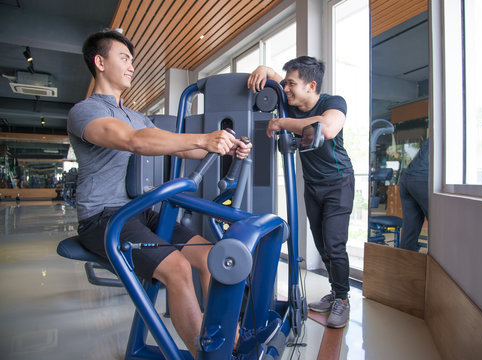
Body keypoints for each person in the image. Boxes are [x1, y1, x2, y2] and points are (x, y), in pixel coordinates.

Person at [67, 29, 253, 357]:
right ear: (99, 62)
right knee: (178, 269)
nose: (131, 66)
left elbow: (181, 150)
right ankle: (202, 354)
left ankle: (228, 343)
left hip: (142, 210)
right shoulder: (86, 112)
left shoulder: (136, 116)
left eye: (132, 60)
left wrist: (225, 148)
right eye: (124, 58)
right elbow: (133, 141)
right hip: (104, 217)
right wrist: (202, 139)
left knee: (213, 256)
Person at [248, 56, 354, 328]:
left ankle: (342, 300)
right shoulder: (290, 100)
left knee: (334, 244)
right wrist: (263, 69)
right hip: (313, 185)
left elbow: (326, 128)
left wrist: (281, 123)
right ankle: (334, 293)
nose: (285, 89)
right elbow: (272, 75)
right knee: (321, 246)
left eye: (292, 84)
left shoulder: (333, 103)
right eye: (286, 84)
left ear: (311, 85)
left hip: (338, 183)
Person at [399, 138, 429, 251]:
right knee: (440, 228)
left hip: (408, 177)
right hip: (423, 178)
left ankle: (404, 267)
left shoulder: (434, 134)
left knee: (409, 232)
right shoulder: (447, 129)